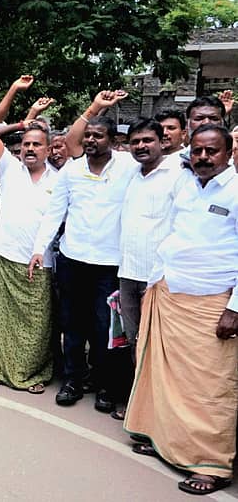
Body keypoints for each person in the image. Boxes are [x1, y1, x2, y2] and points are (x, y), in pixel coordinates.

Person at [125, 124, 238, 496]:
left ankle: (211, 463)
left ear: (228, 153)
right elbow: (174, 232)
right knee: (164, 375)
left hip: (214, 303)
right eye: (199, 151)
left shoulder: (235, 191)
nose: (204, 158)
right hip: (170, 294)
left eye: (213, 151)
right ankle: (165, 442)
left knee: (210, 387)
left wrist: (235, 308)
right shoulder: (186, 185)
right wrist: (158, 280)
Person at [30, 89, 135, 411]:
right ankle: (73, 381)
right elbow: (54, 212)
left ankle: (105, 387)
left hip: (110, 265)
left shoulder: (129, 167)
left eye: (98, 136)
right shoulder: (72, 171)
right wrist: (39, 249)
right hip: (73, 261)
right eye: (87, 135)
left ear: (113, 140)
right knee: (72, 327)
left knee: (105, 329)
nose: (90, 140)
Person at [0, 70, 58, 394]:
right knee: (1, 319)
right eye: (26, 144)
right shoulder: (9, 167)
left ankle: (30, 372)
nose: (30, 149)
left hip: (39, 262)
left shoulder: (59, 180)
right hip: (5, 255)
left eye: (37, 144)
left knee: (36, 323)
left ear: (49, 148)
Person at [112, 118, 183, 419]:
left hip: (159, 278)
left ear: (163, 142)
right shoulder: (130, 173)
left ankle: (160, 414)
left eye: (147, 140)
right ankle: (139, 407)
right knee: (134, 341)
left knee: (159, 347)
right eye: (135, 141)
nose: (141, 146)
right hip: (128, 273)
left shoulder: (179, 173)